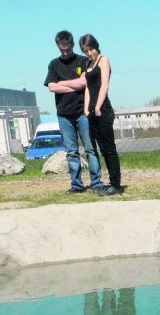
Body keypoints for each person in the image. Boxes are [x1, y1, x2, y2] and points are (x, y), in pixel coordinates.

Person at [44, 30, 103, 194]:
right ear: (58, 46)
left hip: (82, 113)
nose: (65, 52)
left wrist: (61, 84)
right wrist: (72, 84)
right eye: (62, 49)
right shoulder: (53, 65)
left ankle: (96, 182)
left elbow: (83, 83)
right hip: (64, 115)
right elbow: (51, 86)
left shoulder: (83, 61)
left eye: (68, 48)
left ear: (72, 45)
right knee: (72, 153)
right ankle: (77, 185)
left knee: (90, 149)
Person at [79, 33, 123, 197]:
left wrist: (97, 107)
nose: (89, 53)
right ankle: (111, 182)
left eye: (90, 49)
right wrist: (86, 108)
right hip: (91, 111)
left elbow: (104, 86)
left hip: (103, 109)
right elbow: (88, 88)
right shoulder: (87, 64)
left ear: (96, 46)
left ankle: (116, 185)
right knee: (101, 149)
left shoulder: (103, 60)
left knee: (109, 148)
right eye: (85, 51)